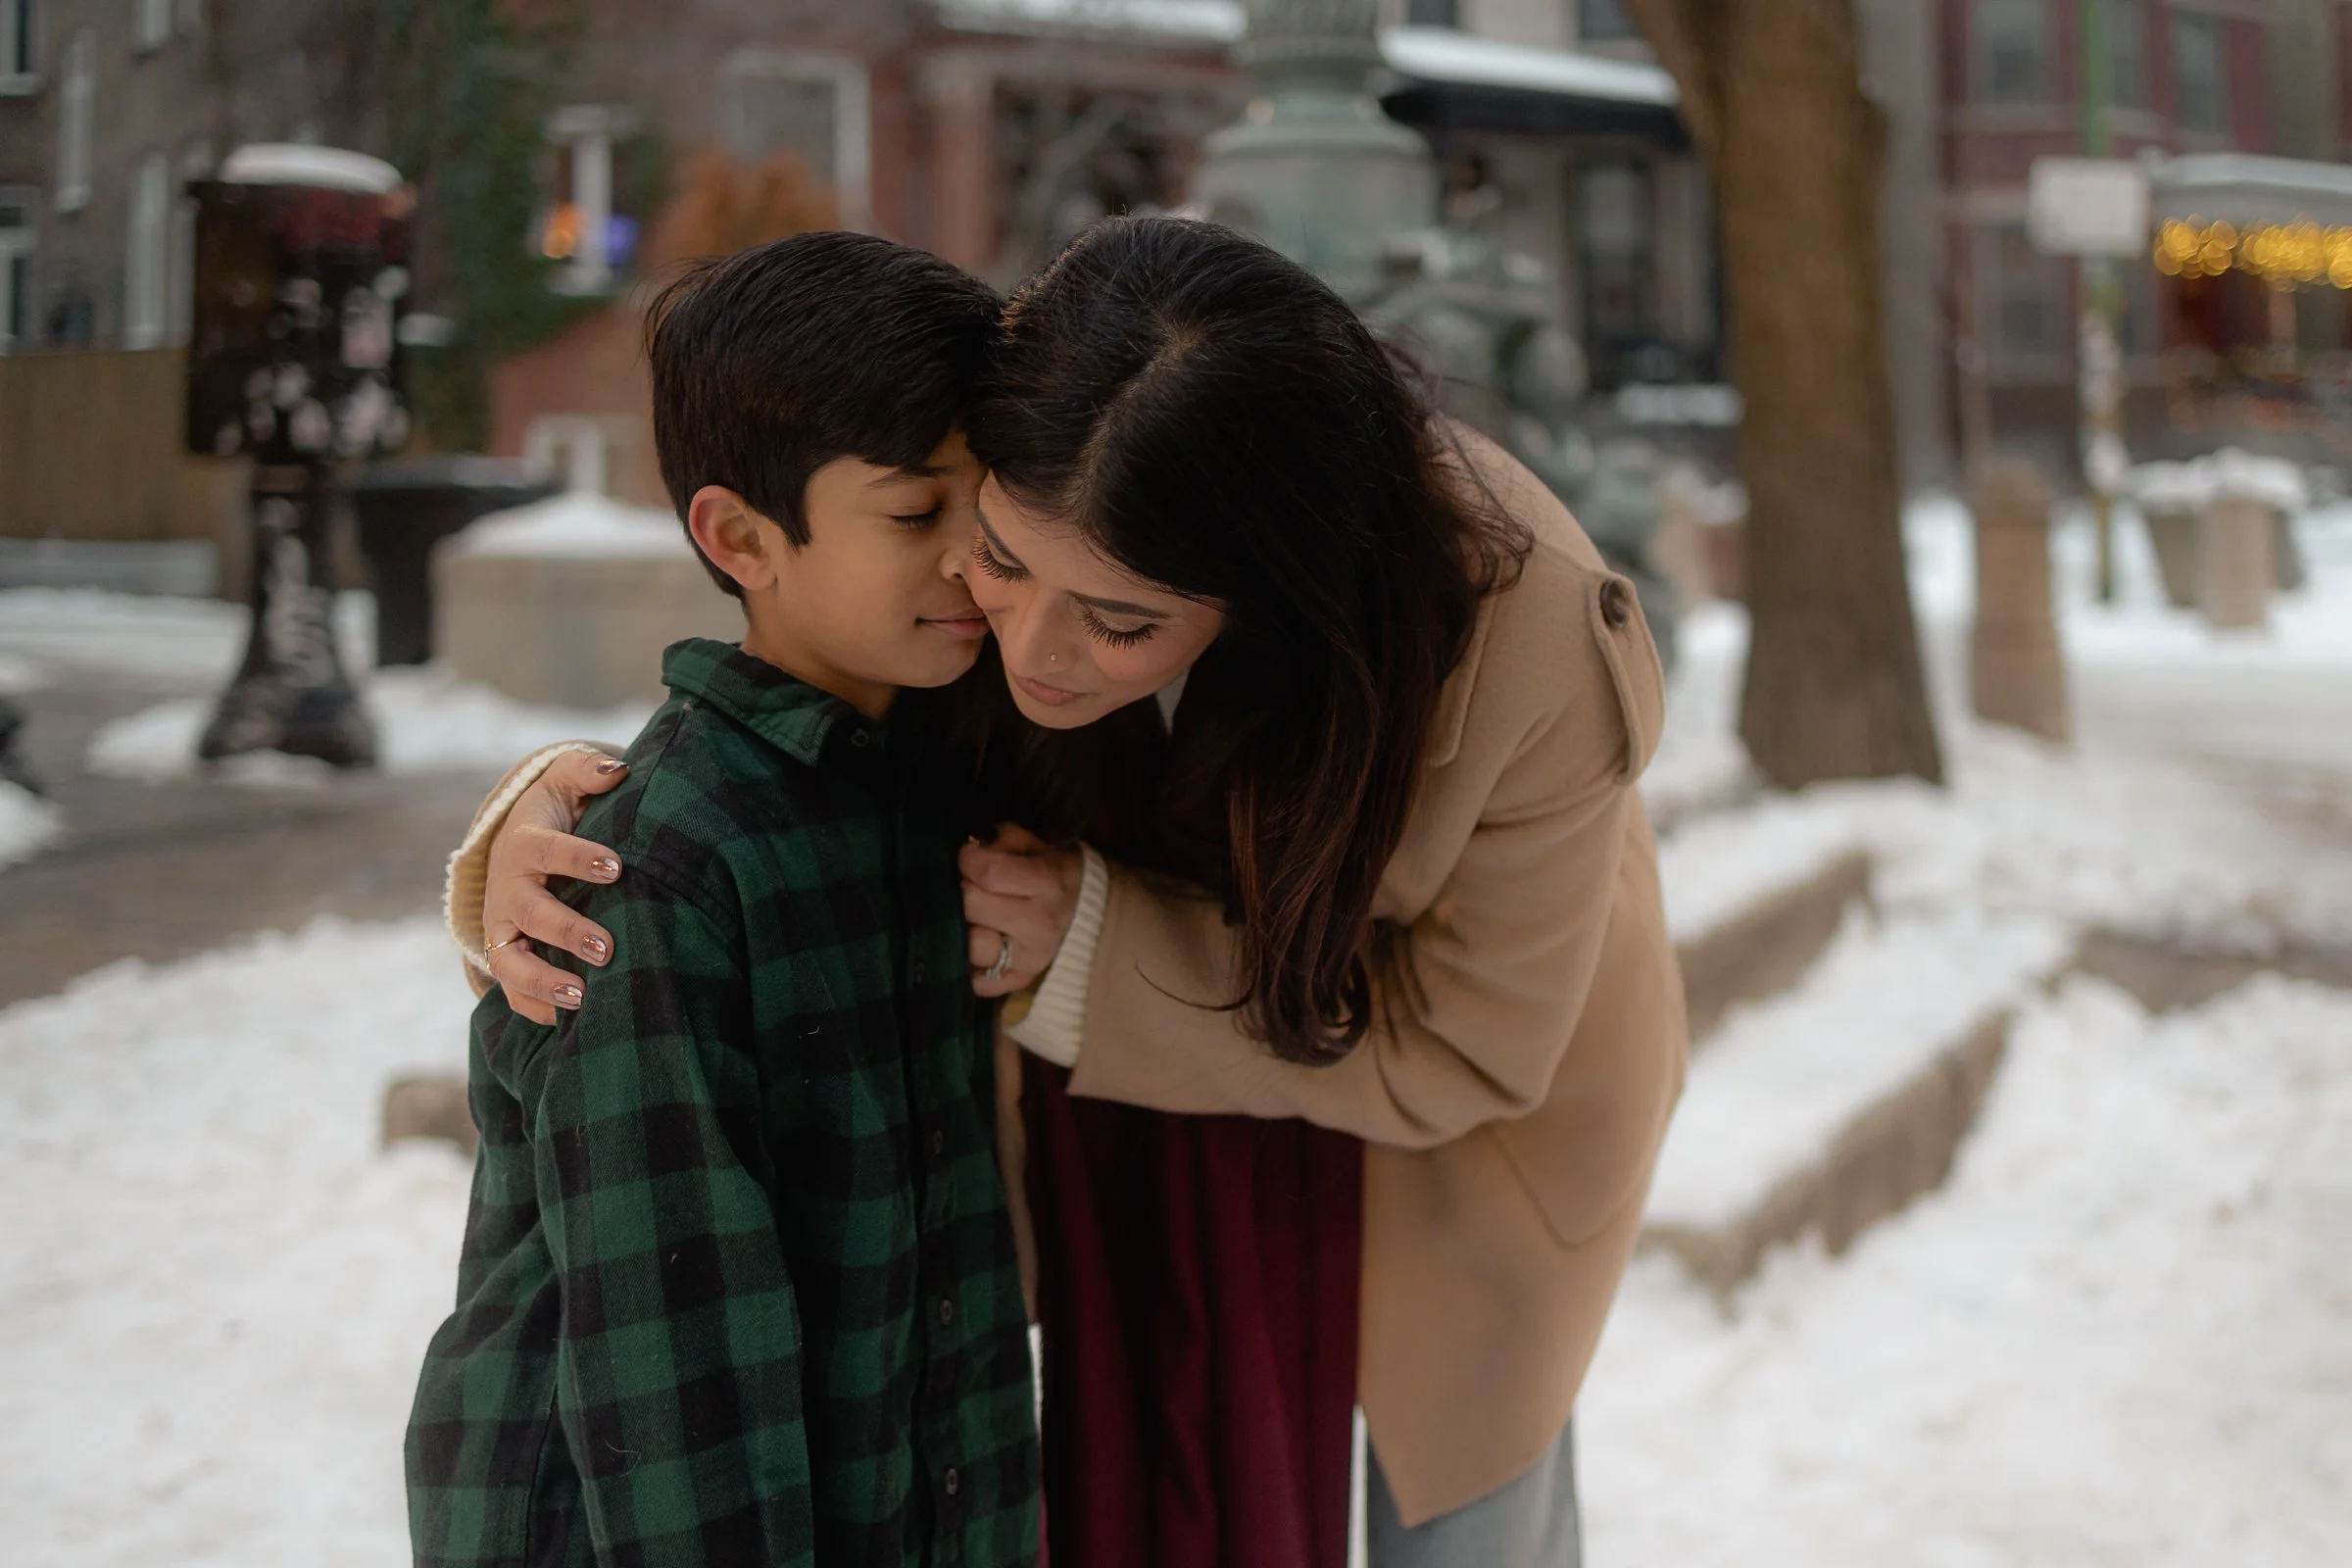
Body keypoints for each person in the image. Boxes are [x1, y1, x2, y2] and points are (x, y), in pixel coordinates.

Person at [460, 217, 1686, 1568]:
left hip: (1449, 1121)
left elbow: (1468, 1043)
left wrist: (1096, 946)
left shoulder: (1524, 632)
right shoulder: (1040, 449)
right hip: (1118, 1119)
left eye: (1120, 621)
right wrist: (561, 823)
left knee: (1461, 1508)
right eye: (1001, 556)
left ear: (1264, 592)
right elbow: (795, 680)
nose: (1033, 654)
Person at [404, 233, 1039, 1568]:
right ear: (741, 538)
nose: (971, 563)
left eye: (991, 510)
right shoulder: (660, 875)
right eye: (916, 516)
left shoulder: (932, 770)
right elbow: (673, 1356)